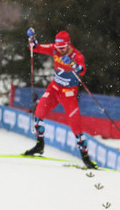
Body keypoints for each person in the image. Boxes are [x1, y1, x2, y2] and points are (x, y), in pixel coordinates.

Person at [23, 30, 97, 169]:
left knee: (76, 127)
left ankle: (86, 158)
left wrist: (73, 64)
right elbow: (37, 48)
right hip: (54, 89)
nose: (60, 50)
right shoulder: (55, 49)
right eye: (58, 47)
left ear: (68, 44)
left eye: (62, 48)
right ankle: (40, 145)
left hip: (68, 94)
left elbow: (82, 70)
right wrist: (32, 42)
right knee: (38, 113)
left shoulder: (76, 55)